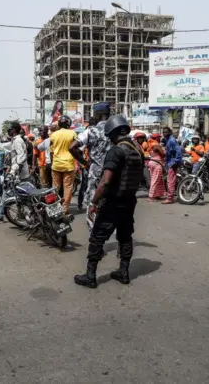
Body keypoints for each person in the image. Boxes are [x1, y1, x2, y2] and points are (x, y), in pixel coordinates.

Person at [74, 115, 144, 288]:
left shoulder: (116, 151)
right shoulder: (137, 150)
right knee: (125, 236)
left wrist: (94, 203)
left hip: (113, 202)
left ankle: (90, 276)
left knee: (97, 237)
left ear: (111, 133)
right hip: (129, 201)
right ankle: (124, 272)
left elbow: (105, 181)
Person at [69, 102, 112, 210]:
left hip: (96, 174)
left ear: (98, 115)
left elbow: (72, 147)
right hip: (114, 174)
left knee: (93, 207)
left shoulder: (90, 131)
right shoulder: (115, 130)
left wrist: (85, 163)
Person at [0, 122, 29, 223]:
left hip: (18, 174)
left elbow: (21, 156)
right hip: (18, 174)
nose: (8, 132)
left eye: (9, 130)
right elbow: (4, 146)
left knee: (7, 194)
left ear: (14, 130)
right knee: (12, 195)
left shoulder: (18, 141)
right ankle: (3, 215)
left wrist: (13, 171)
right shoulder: (14, 141)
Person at [50, 115, 78, 214]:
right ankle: (64, 209)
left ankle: (54, 208)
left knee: (55, 188)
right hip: (68, 165)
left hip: (56, 165)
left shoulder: (53, 135)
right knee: (67, 188)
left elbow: (51, 151)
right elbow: (76, 148)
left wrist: (53, 162)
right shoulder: (73, 133)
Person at [161, 127, 181, 204]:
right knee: (170, 180)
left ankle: (170, 198)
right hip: (170, 162)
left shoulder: (172, 140)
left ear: (170, 132)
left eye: (166, 132)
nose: (164, 134)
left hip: (173, 163)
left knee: (170, 181)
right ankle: (170, 196)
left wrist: (176, 161)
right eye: (163, 132)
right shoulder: (168, 140)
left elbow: (178, 151)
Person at [147, 134, 166, 201]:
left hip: (152, 162)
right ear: (156, 138)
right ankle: (151, 196)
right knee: (155, 180)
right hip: (157, 163)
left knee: (158, 179)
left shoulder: (150, 144)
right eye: (159, 137)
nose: (160, 138)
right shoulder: (156, 145)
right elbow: (163, 154)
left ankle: (157, 195)